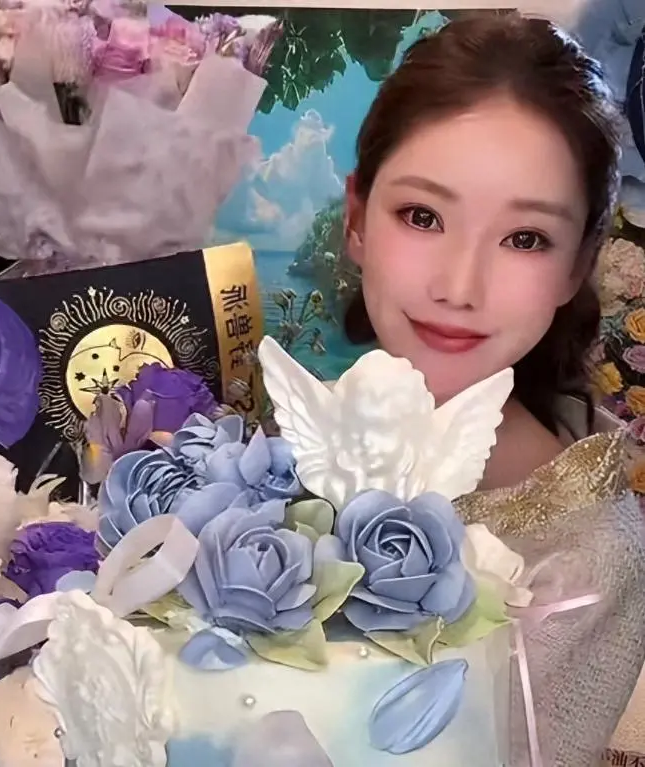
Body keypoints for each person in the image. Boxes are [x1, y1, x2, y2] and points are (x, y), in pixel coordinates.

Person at [343, 13, 644, 766]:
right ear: (356, 220)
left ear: (578, 265)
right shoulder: (276, 448)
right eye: (422, 216)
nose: (459, 286)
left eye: (525, 238)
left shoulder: (590, 556)